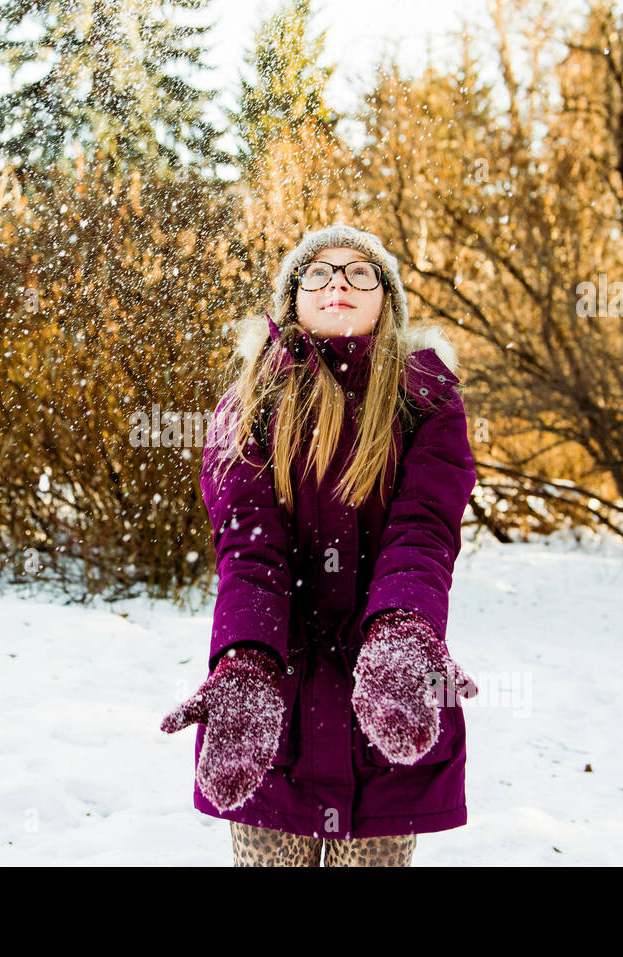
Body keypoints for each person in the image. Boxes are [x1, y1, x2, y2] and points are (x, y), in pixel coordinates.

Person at [160, 224, 480, 867]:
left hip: (388, 697)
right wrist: (246, 663)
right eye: (319, 272)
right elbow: (248, 552)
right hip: (277, 709)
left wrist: (402, 634)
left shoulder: (429, 400)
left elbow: (424, 530)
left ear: (387, 299)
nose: (339, 282)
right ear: (292, 300)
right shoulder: (247, 404)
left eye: (361, 273)